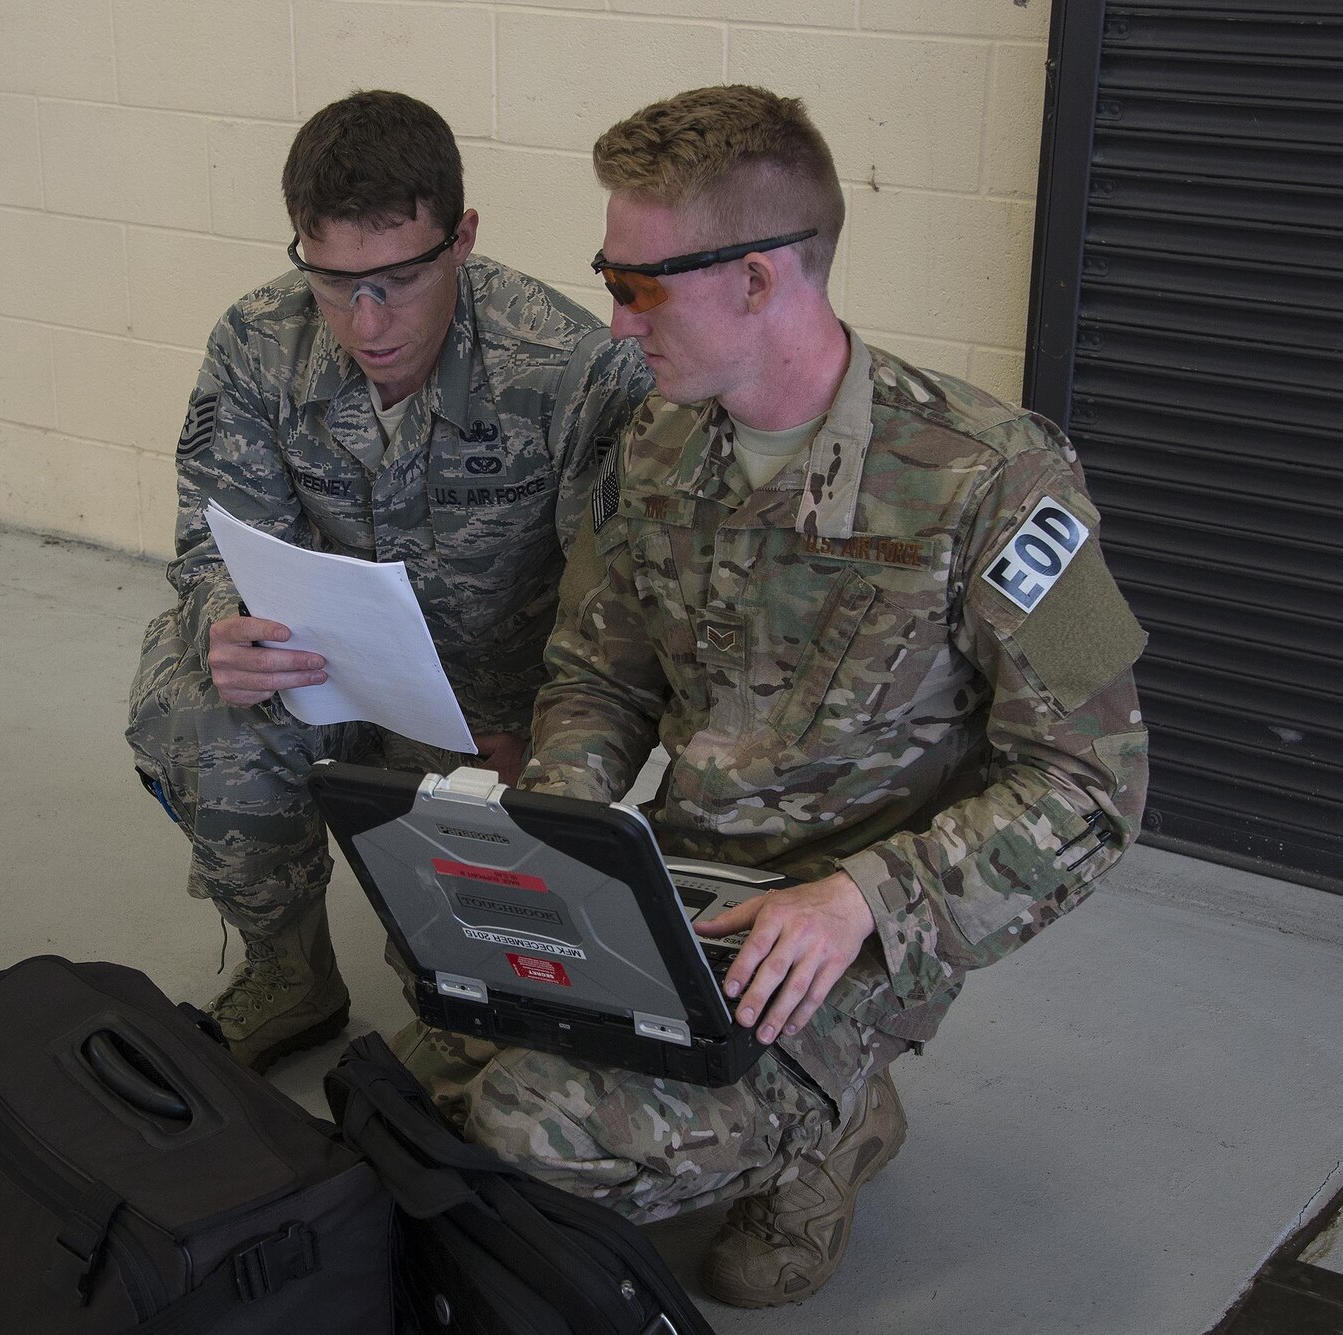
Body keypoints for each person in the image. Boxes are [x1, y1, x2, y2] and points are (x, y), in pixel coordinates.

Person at [389, 86, 1151, 1307]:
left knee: (525, 1130)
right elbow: (596, 672)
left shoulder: (1004, 481)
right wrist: (562, 835)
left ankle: (835, 1117)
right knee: (425, 1046)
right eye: (607, 273)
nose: (614, 316)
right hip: (688, 885)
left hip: (851, 939)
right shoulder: (655, 444)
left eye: (636, 283)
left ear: (755, 279)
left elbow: (1097, 786)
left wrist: (863, 899)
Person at [127, 90, 651, 1072]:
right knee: (194, 709)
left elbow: (615, 606)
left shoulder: (566, 367)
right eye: (331, 281)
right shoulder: (256, 343)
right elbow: (213, 537)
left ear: (461, 239)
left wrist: (541, 735)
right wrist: (223, 620)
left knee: (466, 1031)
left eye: (397, 280)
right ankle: (290, 973)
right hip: (316, 672)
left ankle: (459, 973)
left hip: (487, 715)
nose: (364, 321)